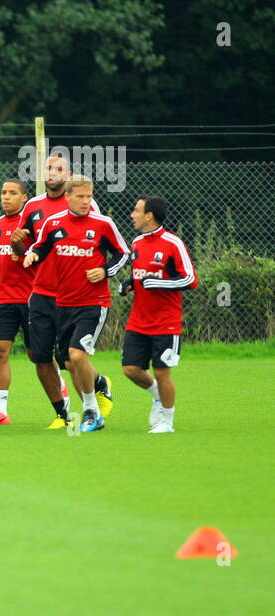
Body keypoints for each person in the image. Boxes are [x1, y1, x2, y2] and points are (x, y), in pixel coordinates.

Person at [23, 177, 130, 432]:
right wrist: (33, 255)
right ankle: (97, 390)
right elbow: (42, 247)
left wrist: (105, 271)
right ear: (68, 197)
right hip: (62, 302)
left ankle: (91, 410)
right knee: (68, 361)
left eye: (89, 196)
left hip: (93, 302)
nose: (85, 201)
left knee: (76, 355)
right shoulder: (54, 223)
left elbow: (123, 253)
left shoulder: (103, 224)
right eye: (80, 197)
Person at [120, 196, 197, 433]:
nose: (132, 215)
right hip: (138, 321)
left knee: (162, 372)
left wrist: (160, 282)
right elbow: (140, 275)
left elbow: (190, 279)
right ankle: (156, 396)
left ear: (149, 215)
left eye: (136, 210)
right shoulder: (137, 243)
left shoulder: (173, 243)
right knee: (130, 369)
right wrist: (129, 283)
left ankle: (167, 421)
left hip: (166, 323)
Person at [0, 179, 32, 425]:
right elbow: (5, 257)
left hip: (33, 298)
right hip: (5, 299)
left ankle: (62, 400)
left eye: (12, 193)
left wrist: (21, 250)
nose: (6, 197)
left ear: (24, 198)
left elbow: (41, 259)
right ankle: (0, 411)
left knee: (38, 356)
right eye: (3, 192)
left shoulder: (33, 223)